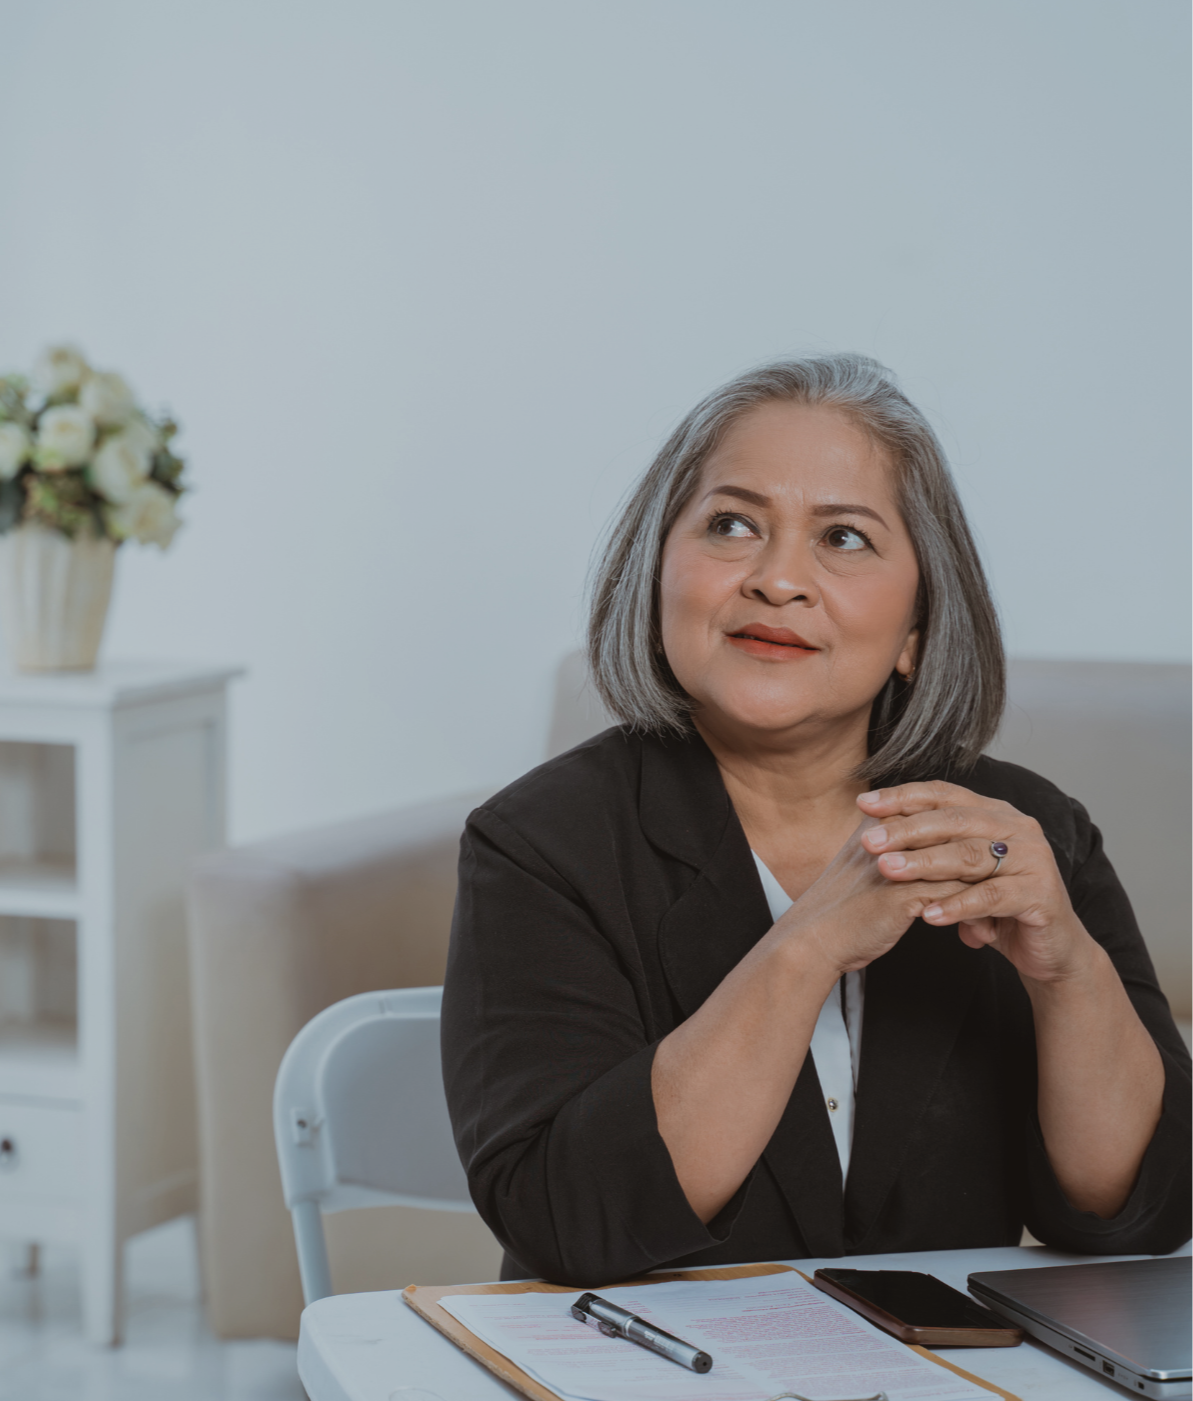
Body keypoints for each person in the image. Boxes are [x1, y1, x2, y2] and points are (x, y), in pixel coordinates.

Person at [441, 354, 1193, 1285]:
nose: (776, 579)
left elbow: (1139, 1218)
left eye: (842, 537)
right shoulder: (540, 843)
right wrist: (804, 948)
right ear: (657, 569)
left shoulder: (1023, 831)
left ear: (916, 627)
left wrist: (1066, 972)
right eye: (731, 524)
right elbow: (566, 1224)